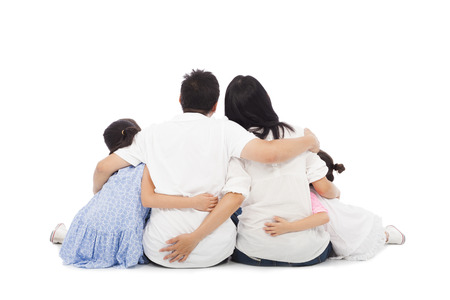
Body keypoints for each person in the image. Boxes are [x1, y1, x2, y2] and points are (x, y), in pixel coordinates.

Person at [93, 69, 321, 268]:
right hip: (214, 251)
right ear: (215, 105)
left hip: (160, 250)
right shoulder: (226, 130)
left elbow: (104, 167)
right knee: (237, 193)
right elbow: (270, 154)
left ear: (180, 99)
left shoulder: (151, 134)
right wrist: (309, 141)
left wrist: (96, 193)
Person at [50, 119, 219, 268]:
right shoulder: (150, 164)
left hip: (87, 224)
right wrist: (194, 202)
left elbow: (101, 170)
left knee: (90, 235)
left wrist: (97, 191)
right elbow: (151, 201)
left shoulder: (117, 171)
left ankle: (65, 236)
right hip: (126, 234)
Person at [224, 75, 338, 266]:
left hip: (252, 253)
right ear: (267, 98)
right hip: (307, 253)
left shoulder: (236, 146)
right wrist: (337, 193)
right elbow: (324, 188)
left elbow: (234, 196)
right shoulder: (298, 133)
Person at [308, 150, 405, 260]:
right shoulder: (322, 191)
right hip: (350, 227)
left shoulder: (315, 192)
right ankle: (387, 235)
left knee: (378, 237)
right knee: (369, 236)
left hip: (353, 230)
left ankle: (388, 235)